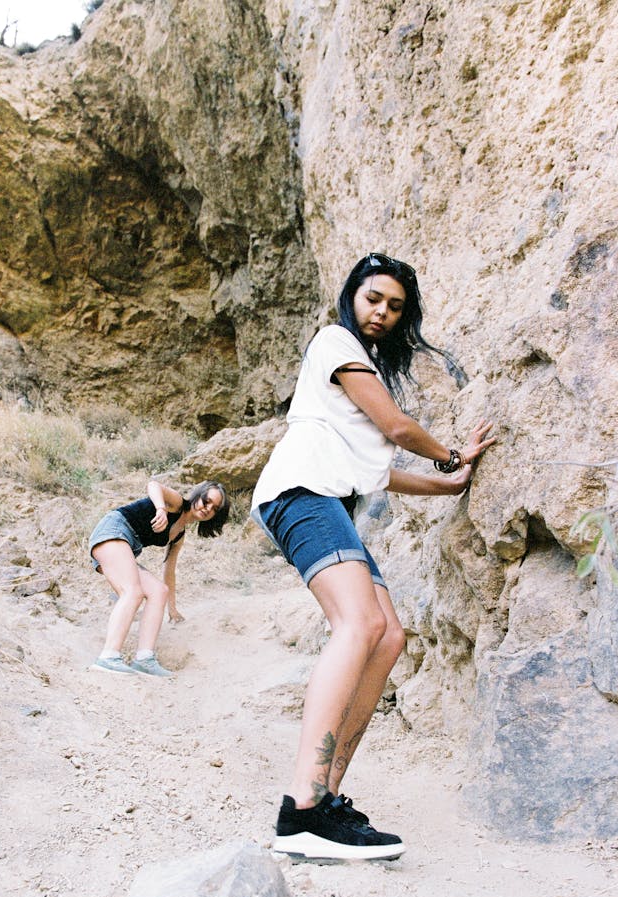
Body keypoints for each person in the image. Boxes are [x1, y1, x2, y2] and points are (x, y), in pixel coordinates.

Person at [251, 253, 495, 861]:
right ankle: (302, 808)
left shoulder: (358, 381)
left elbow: (382, 471)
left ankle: (327, 799)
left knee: (389, 637)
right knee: (358, 626)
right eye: (373, 299)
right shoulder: (334, 342)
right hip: (300, 493)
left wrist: (451, 484)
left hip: (329, 501)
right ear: (350, 297)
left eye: (395, 307)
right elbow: (398, 429)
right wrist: (451, 458)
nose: (382, 312)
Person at [89, 479, 230, 677]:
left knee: (158, 591)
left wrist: (172, 609)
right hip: (113, 530)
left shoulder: (179, 535)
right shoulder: (177, 504)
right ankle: (108, 657)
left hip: (125, 544)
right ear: (197, 496)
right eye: (206, 501)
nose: (207, 508)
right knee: (133, 591)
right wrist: (161, 509)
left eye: (214, 508)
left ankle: (144, 659)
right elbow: (153, 485)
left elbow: (169, 572)